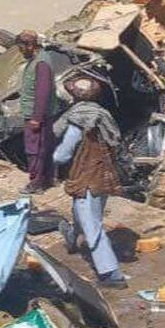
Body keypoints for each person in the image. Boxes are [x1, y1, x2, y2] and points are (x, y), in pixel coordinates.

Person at [53, 75, 128, 288]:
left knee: (92, 225)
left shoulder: (77, 121)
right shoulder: (105, 117)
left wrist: (48, 160)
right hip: (104, 176)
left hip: (86, 178)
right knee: (85, 212)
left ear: (74, 97)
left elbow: (62, 156)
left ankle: (111, 273)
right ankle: (73, 236)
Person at [17, 30, 59, 193]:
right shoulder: (38, 59)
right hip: (38, 114)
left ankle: (36, 183)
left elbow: (43, 91)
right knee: (44, 147)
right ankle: (47, 179)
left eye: (22, 48)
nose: (21, 52)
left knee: (34, 150)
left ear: (30, 45)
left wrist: (36, 117)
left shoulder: (41, 63)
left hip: (36, 116)